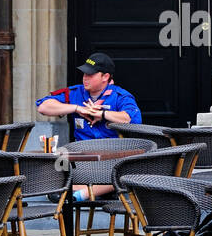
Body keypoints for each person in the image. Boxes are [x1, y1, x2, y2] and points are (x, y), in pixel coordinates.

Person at [36, 52, 142, 199]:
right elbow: (43, 107)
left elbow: (130, 118)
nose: (85, 78)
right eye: (84, 74)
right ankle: (101, 190)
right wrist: (77, 108)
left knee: (126, 172)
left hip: (110, 160)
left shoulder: (120, 96)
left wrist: (103, 115)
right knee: (54, 175)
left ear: (105, 77)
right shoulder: (76, 93)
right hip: (82, 160)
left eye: (90, 74)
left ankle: (82, 194)